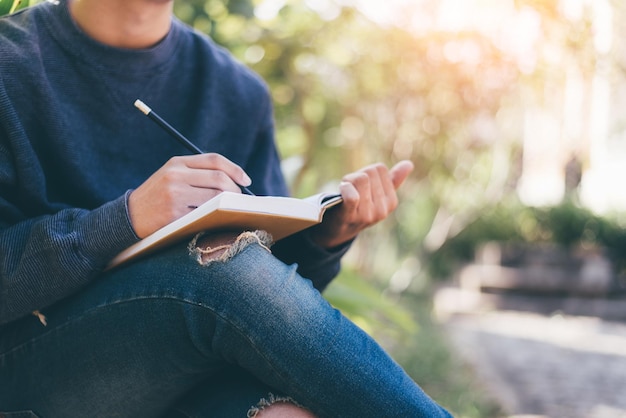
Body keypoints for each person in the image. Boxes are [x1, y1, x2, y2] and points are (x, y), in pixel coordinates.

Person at [0, 0, 452, 417]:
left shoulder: (237, 91)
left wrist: (327, 237)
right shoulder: (10, 64)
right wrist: (126, 218)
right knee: (221, 261)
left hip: (185, 370)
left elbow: (268, 309)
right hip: (32, 362)